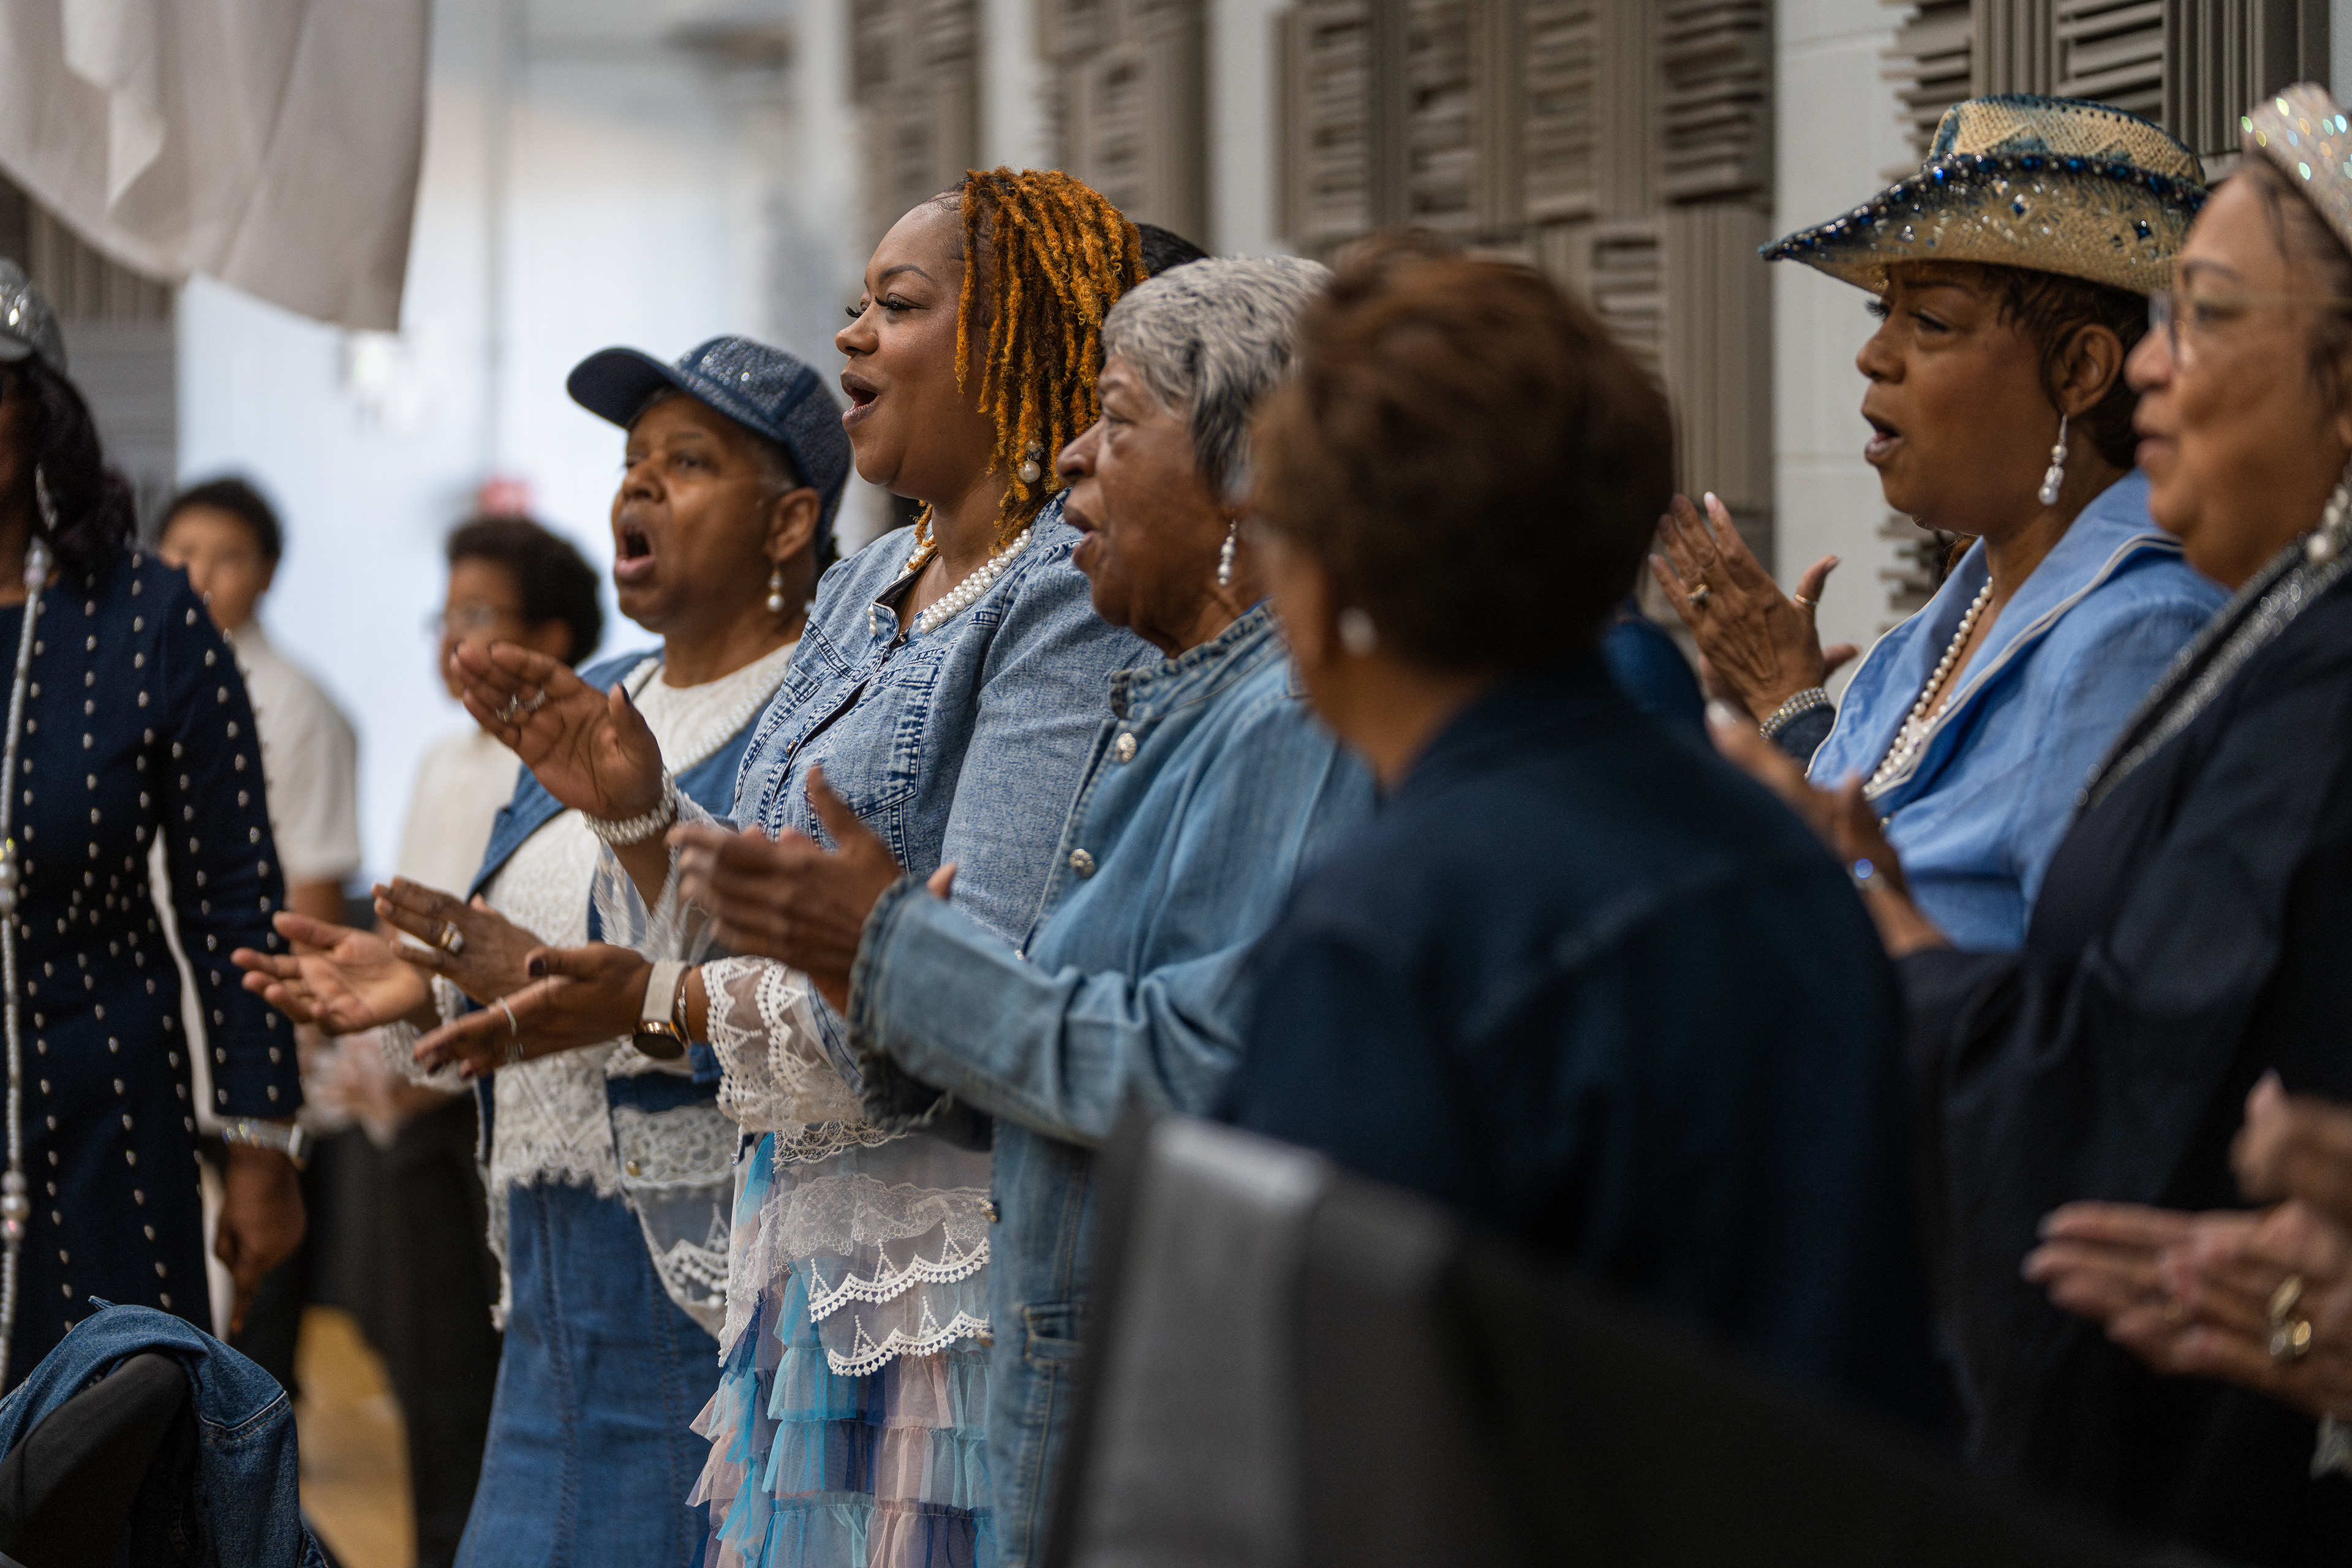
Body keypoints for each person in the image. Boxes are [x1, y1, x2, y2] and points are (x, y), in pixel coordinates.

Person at [412, 168, 1155, 1568]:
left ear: (1016, 334)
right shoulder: (874, 585)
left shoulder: (1059, 590)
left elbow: (968, 987)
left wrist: (666, 1000)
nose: (853, 332)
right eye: (855, 303)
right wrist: (640, 815)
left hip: (938, 1274)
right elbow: (772, 922)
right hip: (794, 1245)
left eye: (898, 304)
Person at [1713, 84, 2352, 1563]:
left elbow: (2129, 1073)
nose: (1872, 355)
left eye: (2203, 318)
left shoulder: (2156, 632)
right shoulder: (1961, 617)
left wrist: (1864, 920)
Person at [651, 255, 1373, 1561]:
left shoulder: (1287, 717)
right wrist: (861, 960)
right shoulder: (1181, 702)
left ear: (1246, 474)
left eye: (1119, 419)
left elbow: (1187, 1063)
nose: (1078, 458)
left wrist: (886, 952)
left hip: (1162, 1396)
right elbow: (1035, 1030)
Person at [1215, 236, 1949, 1428]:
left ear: (1337, 579)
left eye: (1272, 528)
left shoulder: (1388, 935)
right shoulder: (1782, 851)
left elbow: (1342, 1432)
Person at [237, 335, 848, 1566]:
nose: (641, 482)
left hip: (705, 1306)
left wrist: (637, 864)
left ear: (789, 523)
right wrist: (427, 980)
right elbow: (540, 956)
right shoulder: (595, 693)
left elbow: (804, 1003)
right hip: (539, 1299)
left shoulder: (824, 717)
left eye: (689, 460)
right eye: (632, 460)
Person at [1651, 96, 2226, 950]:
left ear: (2080, 370)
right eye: (1882, 313)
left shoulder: (2137, 636)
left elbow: (2082, 1010)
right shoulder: (1957, 619)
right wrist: (1784, 711)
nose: (1873, 355)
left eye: (1928, 321)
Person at [0, 260, 303, 1385]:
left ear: (42, 411)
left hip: (104, 1121)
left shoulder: (148, 618)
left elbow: (237, 893)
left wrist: (260, 1144)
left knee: (106, 1442)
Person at [347, 514, 601, 1568]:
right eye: (446, 615)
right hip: (424, 1100)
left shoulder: (574, 764)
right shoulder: (441, 762)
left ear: (552, 634)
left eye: (480, 614)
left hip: (517, 1100)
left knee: (513, 1384)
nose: (454, 638)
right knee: (430, 1386)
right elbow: (409, 934)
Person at [157, 478, 361, 928]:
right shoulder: (135, 677)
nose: (200, 575)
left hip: (247, 955)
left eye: (228, 557)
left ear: (268, 571)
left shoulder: (304, 708)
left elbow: (317, 879)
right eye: (184, 552)